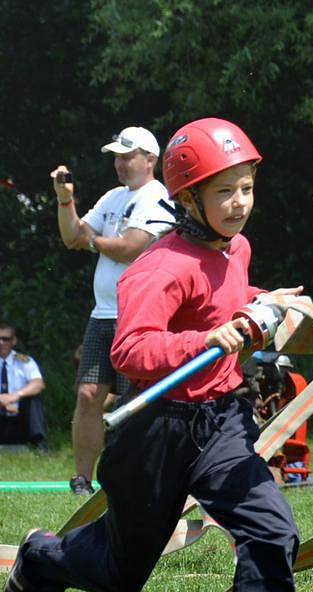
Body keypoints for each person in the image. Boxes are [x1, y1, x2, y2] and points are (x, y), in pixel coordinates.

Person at [7, 118, 313, 592]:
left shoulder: (238, 249)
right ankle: (40, 559)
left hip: (223, 420)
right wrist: (204, 339)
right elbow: (132, 351)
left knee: (272, 532)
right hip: (155, 429)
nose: (239, 203)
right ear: (188, 197)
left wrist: (264, 300)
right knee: (124, 574)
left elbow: (226, 297)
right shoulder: (159, 266)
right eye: (224, 191)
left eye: (246, 187)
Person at [51, 126, 172, 495]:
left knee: (138, 401)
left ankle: (134, 477)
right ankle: (82, 481)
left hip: (140, 314)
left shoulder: (158, 196)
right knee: (89, 394)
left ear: (149, 159)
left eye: (126, 156)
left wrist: (92, 241)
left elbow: (131, 247)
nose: (119, 163)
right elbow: (72, 236)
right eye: (116, 157)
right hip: (103, 314)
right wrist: (64, 200)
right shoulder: (114, 196)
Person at [0, 322, 48, 452]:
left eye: (6, 339)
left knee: (34, 399)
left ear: (14, 341)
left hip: (18, 416)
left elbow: (38, 384)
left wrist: (14, 396)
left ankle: (40, 446)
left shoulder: (25, 361)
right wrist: (2, 401)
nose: (1, 342)